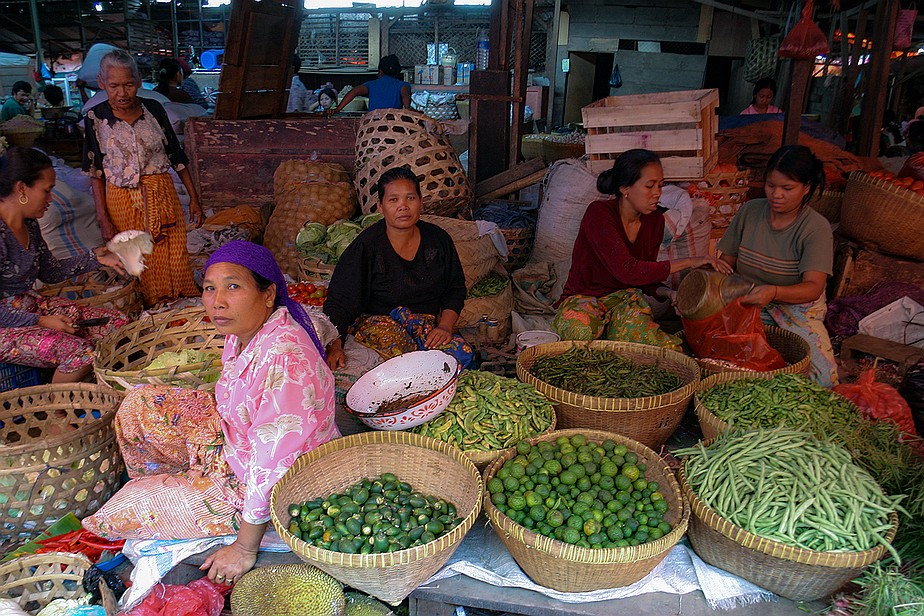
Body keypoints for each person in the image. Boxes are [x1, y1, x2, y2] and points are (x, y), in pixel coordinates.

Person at [82, 241, 340, 584]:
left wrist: (245, 548)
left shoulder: (286, 359)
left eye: (233, 287)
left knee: (116, 513)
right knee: (137, 406)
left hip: (274, 483)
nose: (217, 301)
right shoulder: (244, 332)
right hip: (235, 441)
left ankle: (195, 496)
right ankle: (186, 482)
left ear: (267, 294)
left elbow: (274, 464)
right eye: (209, 288)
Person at [553, 149, 731, 348]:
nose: (657, 193)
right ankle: (608, 336)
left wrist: (669, 294)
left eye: (660, 185)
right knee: (579, 332)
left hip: (623, 302)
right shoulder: (599, 214)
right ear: (625, 188)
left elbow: (644, 277)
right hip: (585, 297)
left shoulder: (654, 222)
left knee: (657, 346)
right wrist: (691, 261)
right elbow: (627, 269)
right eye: (649, 186)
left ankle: (613, 335)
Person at [83, 49, 202, 306]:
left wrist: (194, 199)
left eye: (128, 84)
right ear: (102, 83)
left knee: (174, 251)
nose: (122, 93)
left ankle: (181, 306)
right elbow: (95, 173)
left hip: (161, 192)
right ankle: (152, 310)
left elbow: (177, 157)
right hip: (121, 199)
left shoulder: (154, 110)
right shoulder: (95, 118)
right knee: (139, 257)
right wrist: (103, 218)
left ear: (138, 81)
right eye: (114, 86)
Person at [323, 166, 472, 371]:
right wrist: (335, 345)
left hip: (426, 326)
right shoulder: (366, 246)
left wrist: (445, 326)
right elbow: (341, 301)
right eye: (393, 200)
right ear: (380, 206)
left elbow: (455, 288)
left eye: (410, 198)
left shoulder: (438, 240)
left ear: (421, 201)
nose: (403, 206)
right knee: (404, 363)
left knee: (461, 354)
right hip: (380, 326)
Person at [0, 147, 128, 383]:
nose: (50, 199)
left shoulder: (30, 225)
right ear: (21, 188)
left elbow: (50, 272)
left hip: (33, 307)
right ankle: (56, 406)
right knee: (81, 352)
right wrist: (40, 321)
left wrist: (95, 257)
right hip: (6, 325)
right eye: (46, 191)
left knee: (117, 324)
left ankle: (92, 383)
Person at [718, 145, 837, 387]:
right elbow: (725, 263)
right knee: (728, 365)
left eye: (787, 188)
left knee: (822, 380)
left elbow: (813, 287)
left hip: (796, 309)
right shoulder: (750, 211)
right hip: (747, 301)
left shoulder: (815, 228)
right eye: (771, 185)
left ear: (806, 188)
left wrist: (773, 292)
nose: (776, 194)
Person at [329, 54, 410, 114]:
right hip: (393, 124)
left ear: (380, 71)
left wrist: (338, 109)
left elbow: (354, 91)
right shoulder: (403, 86)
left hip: (374, 124)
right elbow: (407, 109)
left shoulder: (371, 85)